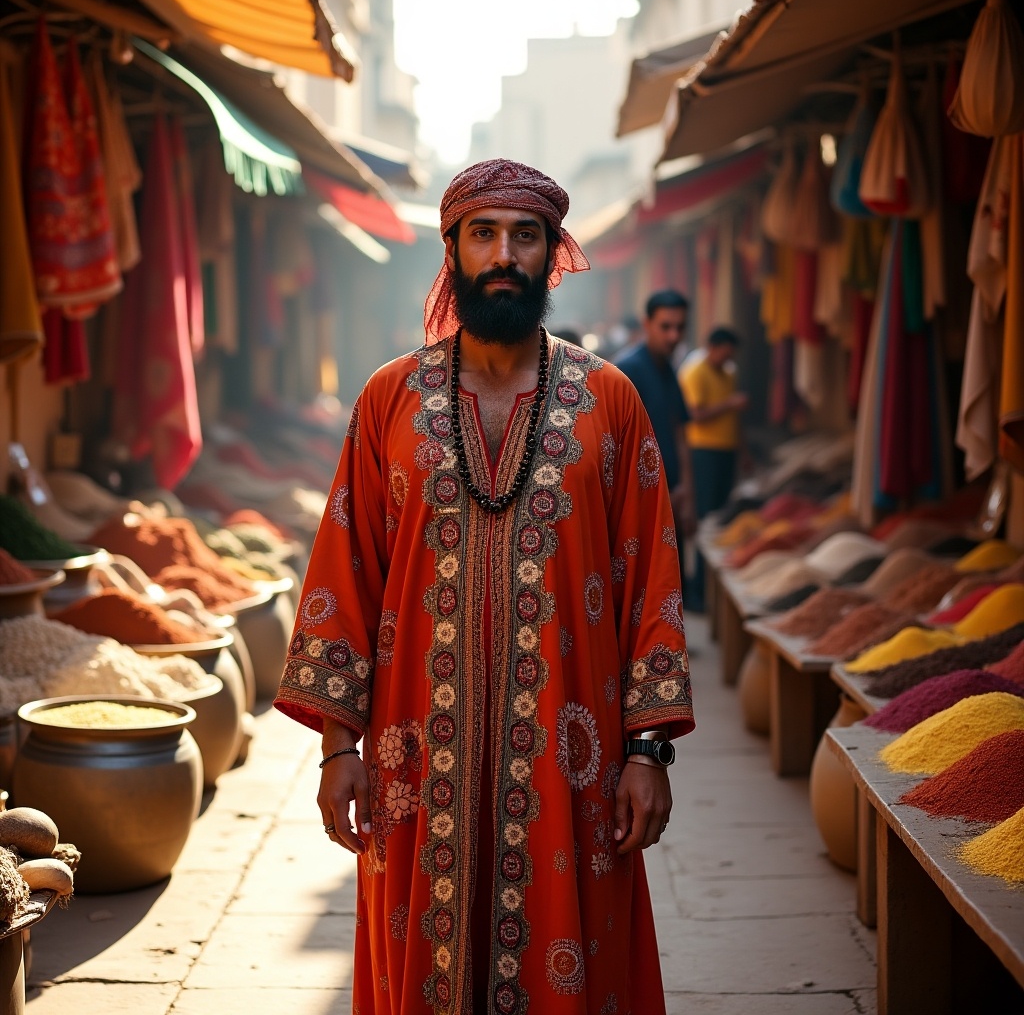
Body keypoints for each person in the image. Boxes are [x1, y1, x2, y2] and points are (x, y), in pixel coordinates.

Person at [274, 158, 694, 1015]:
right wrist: (335, 748)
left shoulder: (609, 400)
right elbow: (344, 577)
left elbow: (650, 578)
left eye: (525, 236)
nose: (505, 254)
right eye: (485, 234)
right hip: (412, 770)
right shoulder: (388, 401)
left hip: (574, 775)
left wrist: (648, 751)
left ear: (551, 254)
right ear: (453, 250)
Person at [615, 290, 695, 572]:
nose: (674, 336)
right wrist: (654, 496)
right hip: (641, 506)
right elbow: (615, 449)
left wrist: (686, 489)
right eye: (665, 327)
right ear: (646, 324)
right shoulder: (626, 372)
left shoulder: (668, 367)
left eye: (680, 328)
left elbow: (678, 429)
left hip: (672, 498)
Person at [679, 325, 748, 611]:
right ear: (712, 347)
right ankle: (698, 591)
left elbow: (733, 420)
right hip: (703, 452)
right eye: (724, 353)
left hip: (725, 451)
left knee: (719, 520)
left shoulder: (727, 372)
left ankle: (710, 591)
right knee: (705, 519)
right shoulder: (695, 371)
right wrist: (730, 404)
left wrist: (742, 450)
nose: (726, 358)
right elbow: (695, 415)